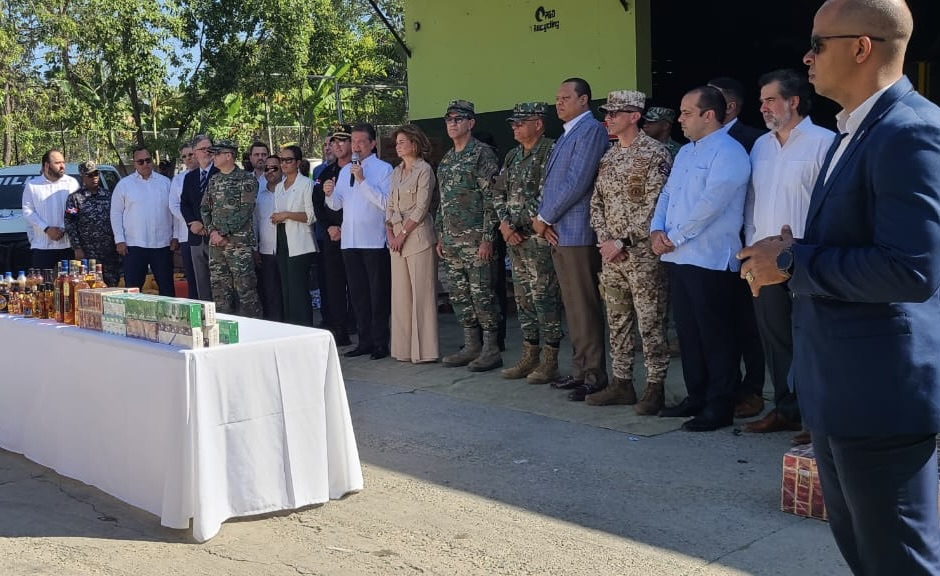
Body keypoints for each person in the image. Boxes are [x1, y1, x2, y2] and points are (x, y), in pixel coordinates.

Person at [738, 0, 940, 572]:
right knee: (867, 556)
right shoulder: (853, 129)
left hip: (880, 396)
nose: (806, 57)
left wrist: (796, 263)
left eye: (818, 43)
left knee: (899, 561)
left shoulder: (911, 131)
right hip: (839, 389)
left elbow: (912, 269)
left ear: (861, 47)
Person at [742, 69, 834, 445]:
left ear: (793, 102)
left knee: (813, 341)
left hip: (806, 260)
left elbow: (832, 207)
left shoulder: (825, 142)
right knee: (775, 338)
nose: (762, 107)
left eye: (770, 100)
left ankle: (817, 419)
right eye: (762, 100)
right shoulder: (761, 146)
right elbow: (752, 202)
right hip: (763, 264)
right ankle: (785, 409)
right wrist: (748, 256)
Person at [650, 86, 750, 431]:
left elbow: (711, 205)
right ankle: (697, 395)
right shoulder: (686, 153)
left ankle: (720, 404)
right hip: (678, 257)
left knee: (716, 335)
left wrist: (673, 237)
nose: (680, 119)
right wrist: (655, 230)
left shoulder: (729, 152)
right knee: (689, 333)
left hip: (710, 259)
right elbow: (668, 193)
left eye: (687, 112)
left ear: (710, 115)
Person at [589, 91, 672, 414]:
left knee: (650, 322)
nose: (608, 119)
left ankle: (655, 386)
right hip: (611, 257)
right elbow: (597, 203)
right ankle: (622, 382)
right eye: (607, 114)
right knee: (618, 319)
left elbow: (657, 206)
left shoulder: (655, 154)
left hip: (642, 256)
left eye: (614, 113)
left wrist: (622, 241)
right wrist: (606, 240)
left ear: (634, 116)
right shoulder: (608, 157)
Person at [532, 78, 609, 401]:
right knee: (573, 306)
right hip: (560, 230)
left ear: (584, 100)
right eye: (557, 97)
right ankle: (580, 370)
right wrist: (545, 219)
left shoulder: (590, 130)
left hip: (576, 231)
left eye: (566, 97)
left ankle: (593, 373)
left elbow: (577, 181)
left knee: (584, 304)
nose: (559, 103)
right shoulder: (569, 133)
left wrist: (543, 217)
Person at [709, 75, 768, 420]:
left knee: (750, 323)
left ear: (729, 107)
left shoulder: (754, 141)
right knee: (721, 322)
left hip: (747, 243)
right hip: (711, 248)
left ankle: (754, 388)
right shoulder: (698, 145)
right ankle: (724, 386)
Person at [492, 102, 562, 384]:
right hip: (515, 239)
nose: (515, 127)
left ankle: (550, 360)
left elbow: (550, 192)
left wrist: (521, 222)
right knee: (523, 300)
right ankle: (529, 354)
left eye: (521, 122)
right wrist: (506, 225)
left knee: (545, 299)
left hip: (538, 238)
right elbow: (499, 193)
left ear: (539, 124)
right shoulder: (512, 156)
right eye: (513, 123)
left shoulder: (550, 151)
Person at [435, 99, 502, 372]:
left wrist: (488, 238)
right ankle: (471, 345)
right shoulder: (448, 159)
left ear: (471, 123)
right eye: (449, 120)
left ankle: (491, 349)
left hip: (477, 242)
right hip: (452, 243)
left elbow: (492, 199)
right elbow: (442, 201)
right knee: (460, 297)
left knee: (482, 296)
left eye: (458, 119)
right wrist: (441, 235)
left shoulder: (482, 154)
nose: (453, 124)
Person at [324, 123, 393, 360]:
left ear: (373, 143)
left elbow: (385, 204)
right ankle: (364, 341)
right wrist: (329, 193)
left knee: (377, 295)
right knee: (358, 295)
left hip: (374, 242)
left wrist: (363, 180)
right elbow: (337, 205)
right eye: (353, 142)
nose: (356, 146)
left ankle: (380, 343)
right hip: (350, 242)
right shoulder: (345, 171)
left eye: (361, 142)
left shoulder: (384, 169)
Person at [386, 124, 439, 363]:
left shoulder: (424, 170)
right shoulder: (397, 172)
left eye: (402, 142)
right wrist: (389, 232)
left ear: (414, 144)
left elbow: (421, 206)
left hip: (417, 238)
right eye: (397, 143)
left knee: (422, 297)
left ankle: (424, 351)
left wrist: (401, 234)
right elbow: (389, 204)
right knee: (401, 298)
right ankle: (402, 350)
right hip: (396, 240)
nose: (398, 146)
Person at [200, 140, 261, 317]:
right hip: (216, 245)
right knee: (220, 289)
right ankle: (223, 327)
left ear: (229, 156)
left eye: (217, 154)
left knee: (245, 289)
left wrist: (223, 232)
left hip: (238, 245)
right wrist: (212, 231)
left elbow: (246, 210)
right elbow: (204, 208)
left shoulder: (246, 179)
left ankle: (253, 328)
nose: (213, 157)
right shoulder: (214, 180)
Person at [110, 146, 177, 296]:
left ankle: (168, 319)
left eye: (148, 160)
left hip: (162, 244)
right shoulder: (124, 185)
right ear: (134, 164)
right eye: (140, 162)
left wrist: (176, 235)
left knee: (167, 287)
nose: (145, 164)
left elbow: (175, 211)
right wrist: (119, 240)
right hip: (134, 245)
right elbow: (115, 213)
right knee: (133, 289)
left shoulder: (165, 183)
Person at [313, 126, 353, 346]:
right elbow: (317, 203)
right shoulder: (326, 172)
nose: (336, 146)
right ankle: (340, 329)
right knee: (335, 284)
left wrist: (344, 226)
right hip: (332, 235)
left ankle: (360, 325)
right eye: (333, 142)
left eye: (342, 141)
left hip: (355, 234)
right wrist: (328, 226)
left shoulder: (359, 169)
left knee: (358, 284)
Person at [272, 145, 317, 326]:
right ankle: (291, 325)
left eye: (288, 160)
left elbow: (311, 216)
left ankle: (304, 326)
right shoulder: (279, 187)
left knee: (298, 288)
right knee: (286, 288)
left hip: (301, 240)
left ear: (298, 162)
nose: (284, 164)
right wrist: (277, 217)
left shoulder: (306, 184)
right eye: (281, 160)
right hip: (282, 237)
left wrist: (287, 215)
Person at [64, 161, 122, 286]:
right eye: (90, 175)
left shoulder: (108, 196)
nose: (94, 178)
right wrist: (77, 248)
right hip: (88, 252)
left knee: (112, 285)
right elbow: (70, 223)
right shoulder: (75, 198)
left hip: (109, 251)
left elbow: (118, 218)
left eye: (96, 174)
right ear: (82, 177)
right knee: (89, 285)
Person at [21, 149, 79, 270]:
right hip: (42, 247)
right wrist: (47, 229)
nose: (62, 166)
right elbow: (28, 211)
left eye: (63, 162)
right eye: (57, 163)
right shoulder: (32, 185)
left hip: (67, 246)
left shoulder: (72, 183)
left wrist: (62, 228)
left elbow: (76, 209)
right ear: (47, 165)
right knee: (43, 286)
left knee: (69, 285)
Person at [180, 134, 217, 301]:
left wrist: (205, 226)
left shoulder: (220, 173)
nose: (207, 152)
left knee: (220, 285)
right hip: (196, 238)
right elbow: (184, 204)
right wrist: (192, 224)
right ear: (195, 153)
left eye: (210, 148)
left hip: (216, 237)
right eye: (203, 149)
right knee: (201, 284)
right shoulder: (189, 177)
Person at [253, 155, 283, 321]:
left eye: (274, 168)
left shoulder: (289, 191)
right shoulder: (259, 196)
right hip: (266, 249)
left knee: (289, 291)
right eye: (267, 168)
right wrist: (255, 249)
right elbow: (255, 223)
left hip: (288, 249)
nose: (270, 172)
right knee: (270, 292)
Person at [169, 142, 198, 298]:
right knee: (192, 277)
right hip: (187, 234)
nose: (188, 158)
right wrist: (191, 220)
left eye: (190, 154)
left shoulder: (209, 174)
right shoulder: (178, 180)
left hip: (207, 233)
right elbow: (173, 205)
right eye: (184, 156)